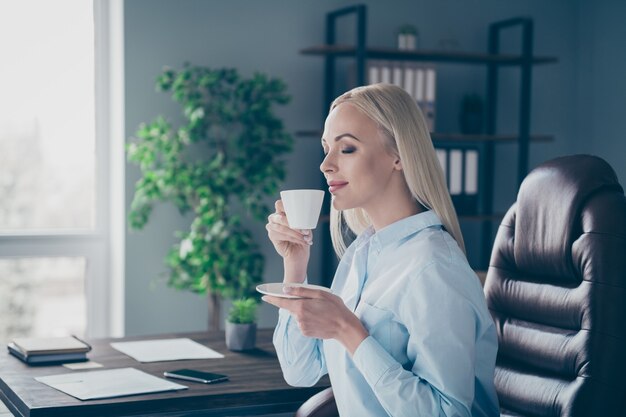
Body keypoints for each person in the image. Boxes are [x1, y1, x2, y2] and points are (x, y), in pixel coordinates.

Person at [263, 83, 499, 417]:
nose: (325, 165)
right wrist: (295, 266)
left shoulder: (433, 267)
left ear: (398, 155)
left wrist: (350, 332)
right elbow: (298, 371)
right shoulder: (364, 253)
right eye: (326, 148)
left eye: (346, 149)